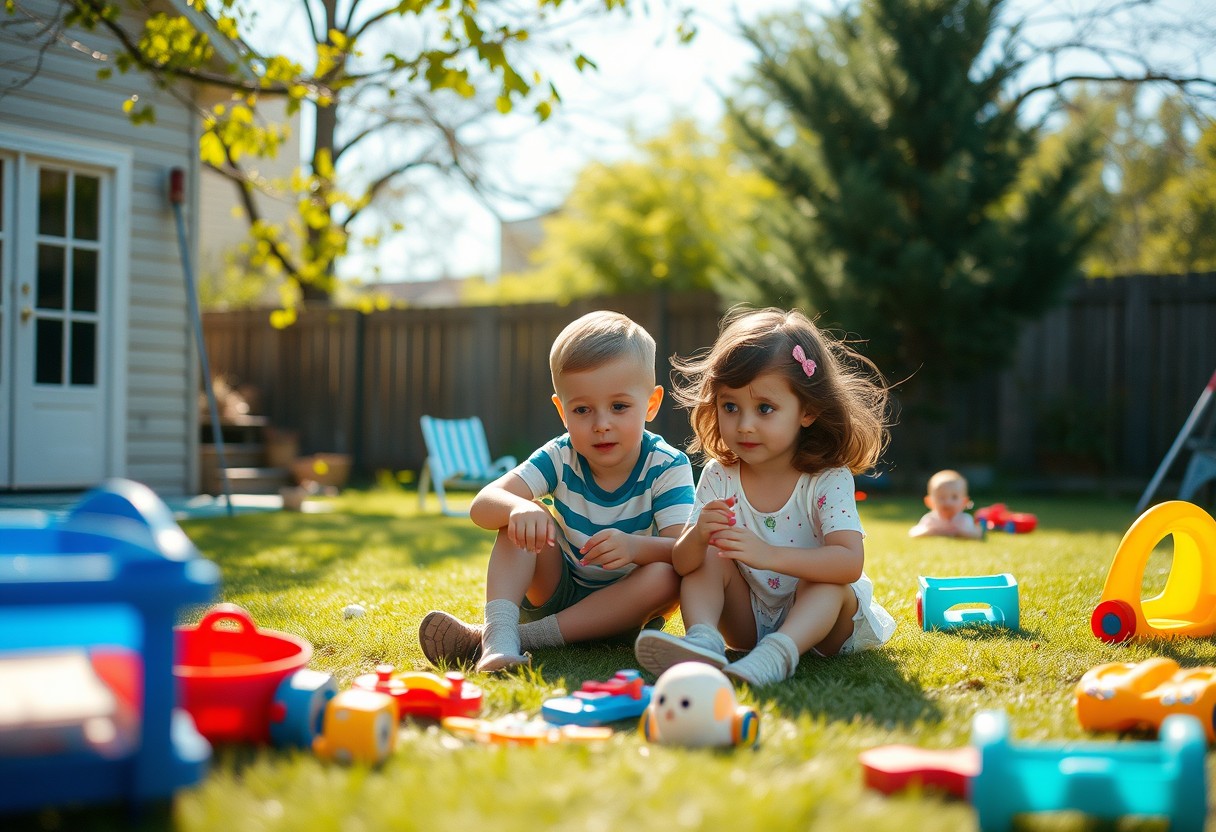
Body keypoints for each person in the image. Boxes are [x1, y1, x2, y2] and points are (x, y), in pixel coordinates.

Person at [419, 311, 696, 673]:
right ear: (561, 411)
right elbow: (482, 504)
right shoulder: (561, 455)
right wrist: (519, 508)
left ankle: (523, 638)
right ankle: (500, 637)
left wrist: (635, 547)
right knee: (520, 516)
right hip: (558, 590)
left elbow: (684, 551)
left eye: (619, 406)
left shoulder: (666, 466)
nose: (601, 424)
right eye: (582, 409)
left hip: (628, 604)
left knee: (667, 574)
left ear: (652, 404)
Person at [634, 307, 896, 687]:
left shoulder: (826, 479)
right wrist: (698, 535)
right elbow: (682, 561)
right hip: (745, 627)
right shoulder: (719, 475)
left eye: (765, 409)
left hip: (823, 628)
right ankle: (703, 642)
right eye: (730, 407)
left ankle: (779, 654)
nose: (745, 425)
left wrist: (768, 554)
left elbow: (849, 563)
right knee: (708, 553)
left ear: (807, 411)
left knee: (824, 580)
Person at [908, 469, 983, 539]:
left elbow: (978, 533)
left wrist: (961, 533)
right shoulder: (930, 519)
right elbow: (913, 533)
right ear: (929, 502)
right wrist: (931, 531)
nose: (947, 502)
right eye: (941, 497)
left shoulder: (965, 520)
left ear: (964, 502)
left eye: (954, 497)